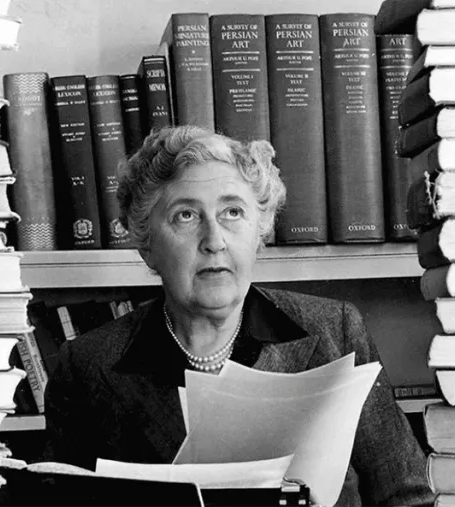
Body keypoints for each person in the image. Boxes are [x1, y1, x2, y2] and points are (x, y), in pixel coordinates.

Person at [42, 126, 434, 506]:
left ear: (259, 230)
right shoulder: (88, 368)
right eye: (185, 216)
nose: (214, 241)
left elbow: (408, 497)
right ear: (147, 245)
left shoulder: (336, 332)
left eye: (232, 212)